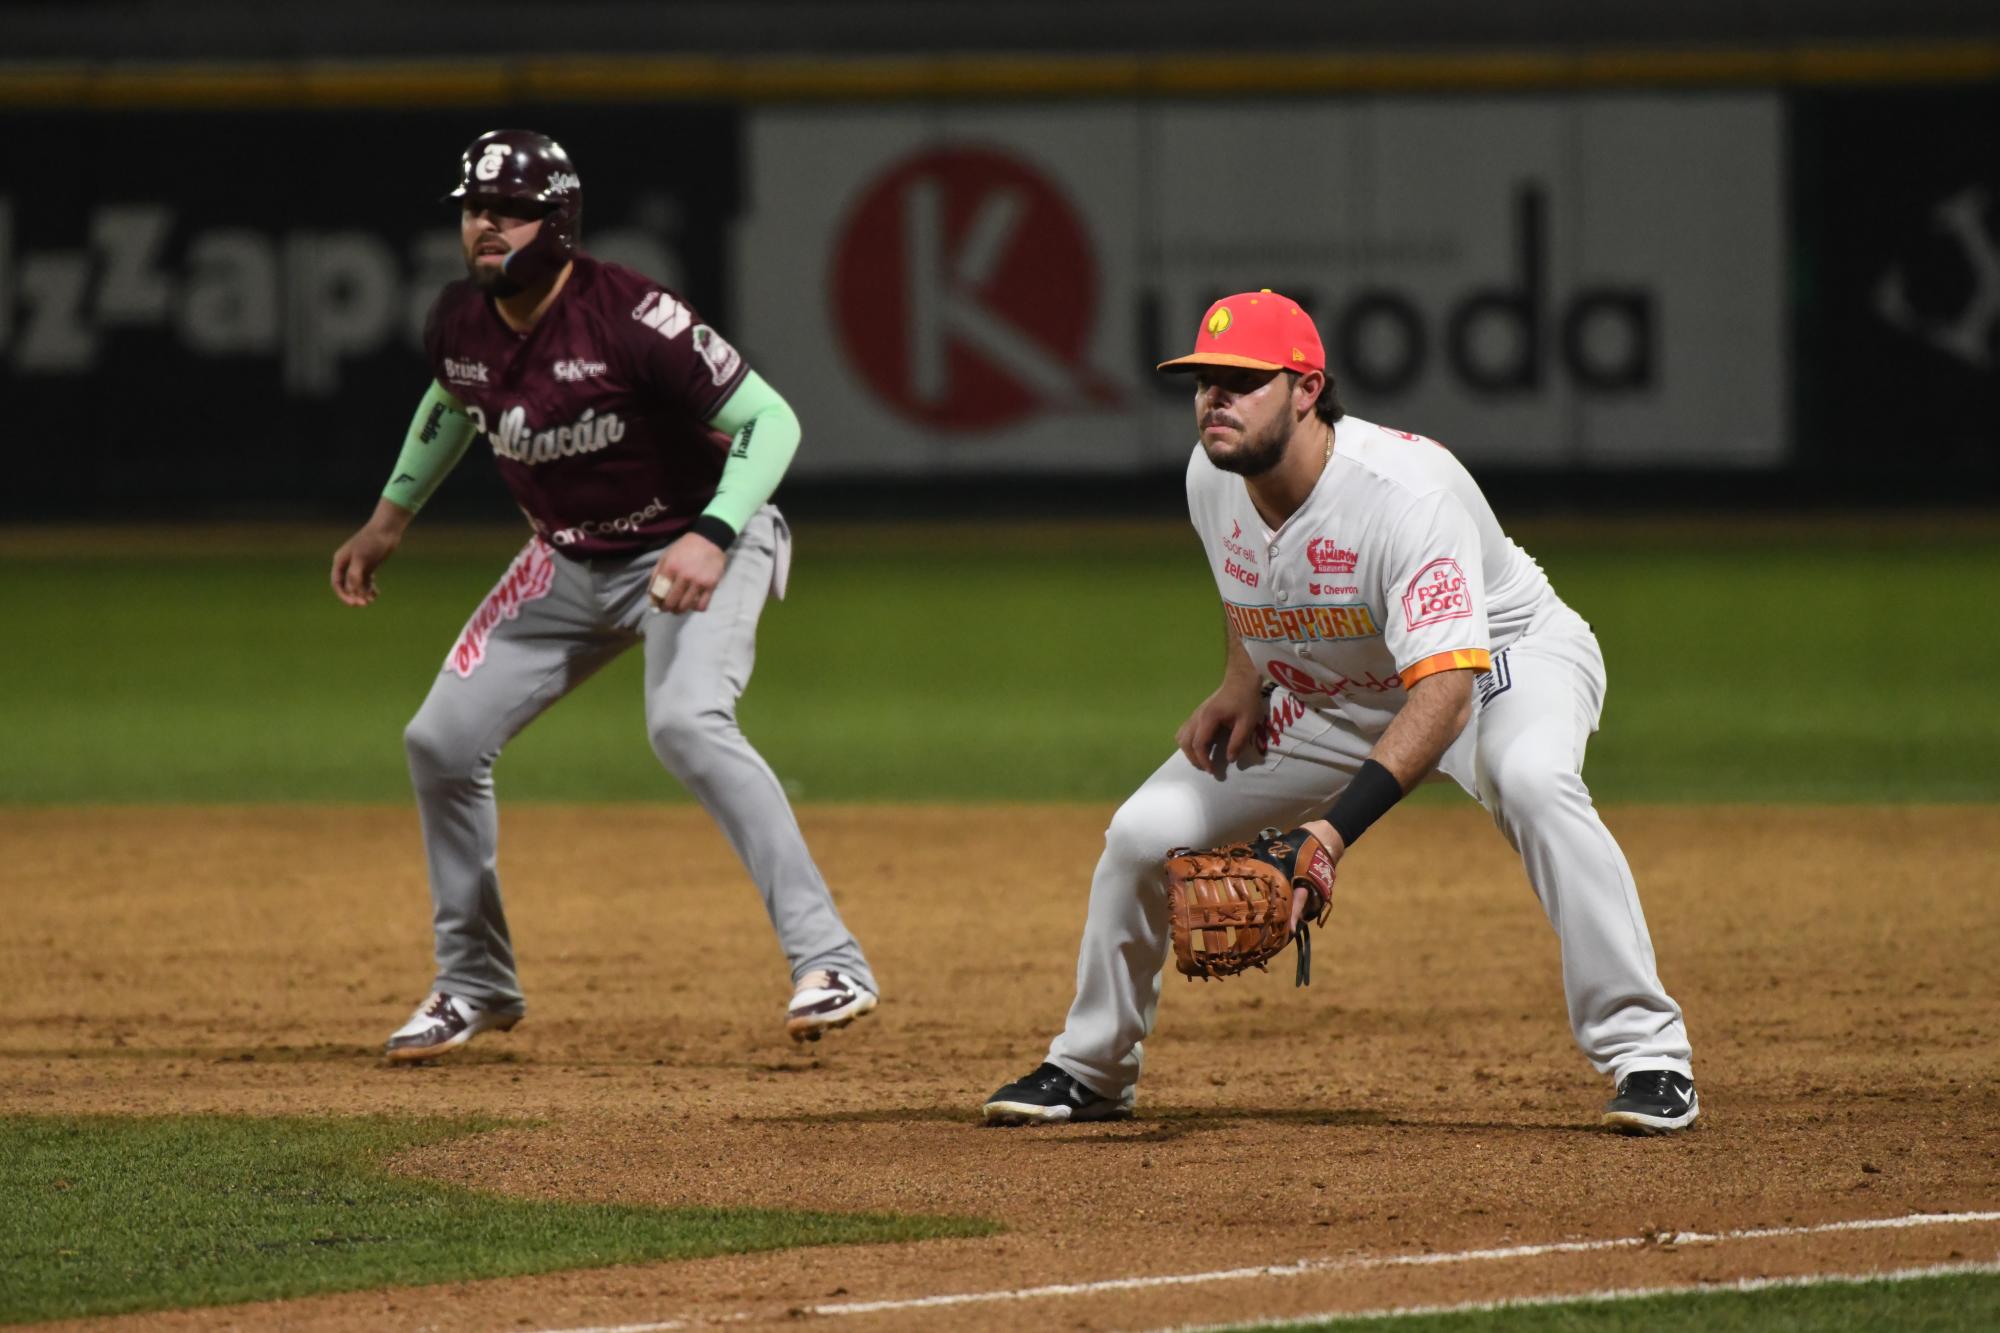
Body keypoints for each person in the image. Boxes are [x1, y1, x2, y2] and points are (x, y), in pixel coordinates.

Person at [983, 291, 1696, 1133]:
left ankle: (1649, 1052)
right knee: (1142, 833)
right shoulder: (1211, 473)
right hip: (1341, 690)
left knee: (1532, 778)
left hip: (1500, 666)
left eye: (1243, 380)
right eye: (1205, 379)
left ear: (1307, 389)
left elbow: (1445, 691)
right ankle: (1092, 1066)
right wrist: (1241, 677)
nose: (1216, 397)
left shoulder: (1406, 492)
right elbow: (1253, 579)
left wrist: (1331, 834)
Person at [331, 129, 878, 1061]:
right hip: (566, 561)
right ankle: (474, 983)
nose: (484, 227)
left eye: (507, 210)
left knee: (686, 722)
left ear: (559, 220)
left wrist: (714, 531)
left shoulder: (631, 315)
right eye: (473, 210)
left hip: (695, 543)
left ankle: (832, 960)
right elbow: (451, 401)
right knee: (440, 741)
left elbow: (771, 419)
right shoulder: (460, 322)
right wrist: (389, 519)